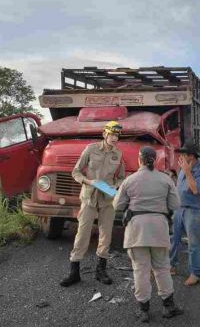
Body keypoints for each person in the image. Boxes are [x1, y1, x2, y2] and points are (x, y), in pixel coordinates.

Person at [113, 146, 183, 323]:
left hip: (137, 231)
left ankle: (144, 310)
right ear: (155, 160)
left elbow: (117, 206)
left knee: (140, 271)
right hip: (159, 230)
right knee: (162, 269)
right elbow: (175, 204)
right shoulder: (165, 179)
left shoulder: (130, 180)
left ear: (140, 159)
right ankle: (169, 306)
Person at [60, 121, 125, 287]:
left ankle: (101, 270)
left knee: (106, 235)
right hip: (89, 196)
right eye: (112, 134)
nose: (114, 138)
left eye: (117, 135)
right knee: (82, 233)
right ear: (105, 134)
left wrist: (115, 186)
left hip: (107, 198)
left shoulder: (118, 154)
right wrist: (88, 181)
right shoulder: (91, 149)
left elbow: (122, 177)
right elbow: (75, 171)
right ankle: (74, 272)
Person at [170, 140, 200, 286]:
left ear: (191, 156)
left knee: (193, 243)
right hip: (179, 208)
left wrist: (187, 171)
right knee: (174, 238)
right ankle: (171, 265)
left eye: (184, 154)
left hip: (193, 210)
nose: (181, 157)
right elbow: (180, 187)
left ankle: (195, 273)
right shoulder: (183, 167)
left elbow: (196, 189)